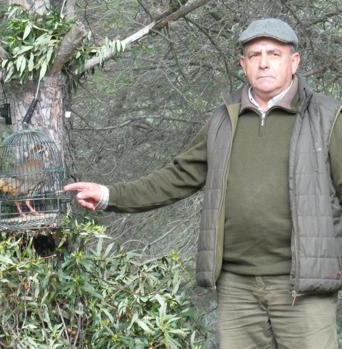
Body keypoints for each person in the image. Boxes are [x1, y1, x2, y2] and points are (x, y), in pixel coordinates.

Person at [65, 18, 342, 349]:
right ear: (243, 64)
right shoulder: (224, 119)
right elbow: (178, 176)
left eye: (274, 53)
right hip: (237, 287)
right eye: (254, 55)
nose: (264, 62)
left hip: (302, 288)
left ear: (293, 61)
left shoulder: (328, 116)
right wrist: (110, 195)